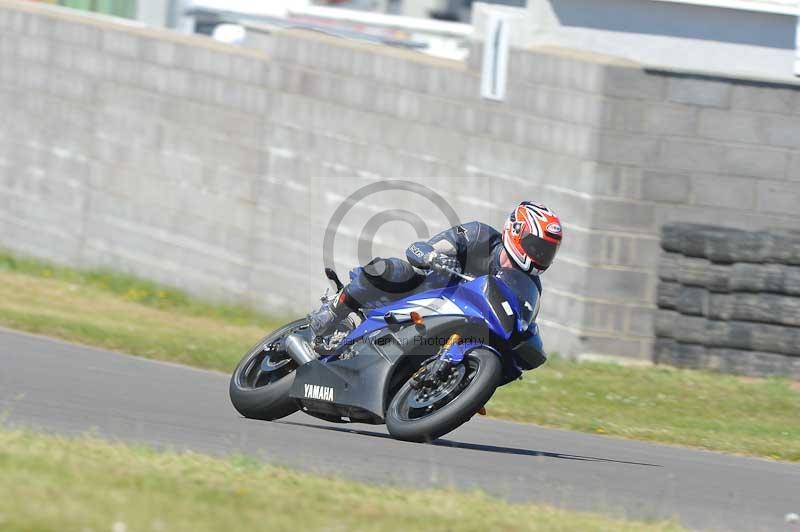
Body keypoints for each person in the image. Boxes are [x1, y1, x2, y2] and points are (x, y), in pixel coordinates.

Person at [309, 201, 563, 344]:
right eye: (536, 246)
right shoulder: (479, 236)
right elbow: (423, 249)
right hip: (423, 293)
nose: (540, 255)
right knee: (393, 270)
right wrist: (433, 257)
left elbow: (516, 327)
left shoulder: (530, 287)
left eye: (547, 251)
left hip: (457, 328)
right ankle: (334, 309)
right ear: (516, 232)